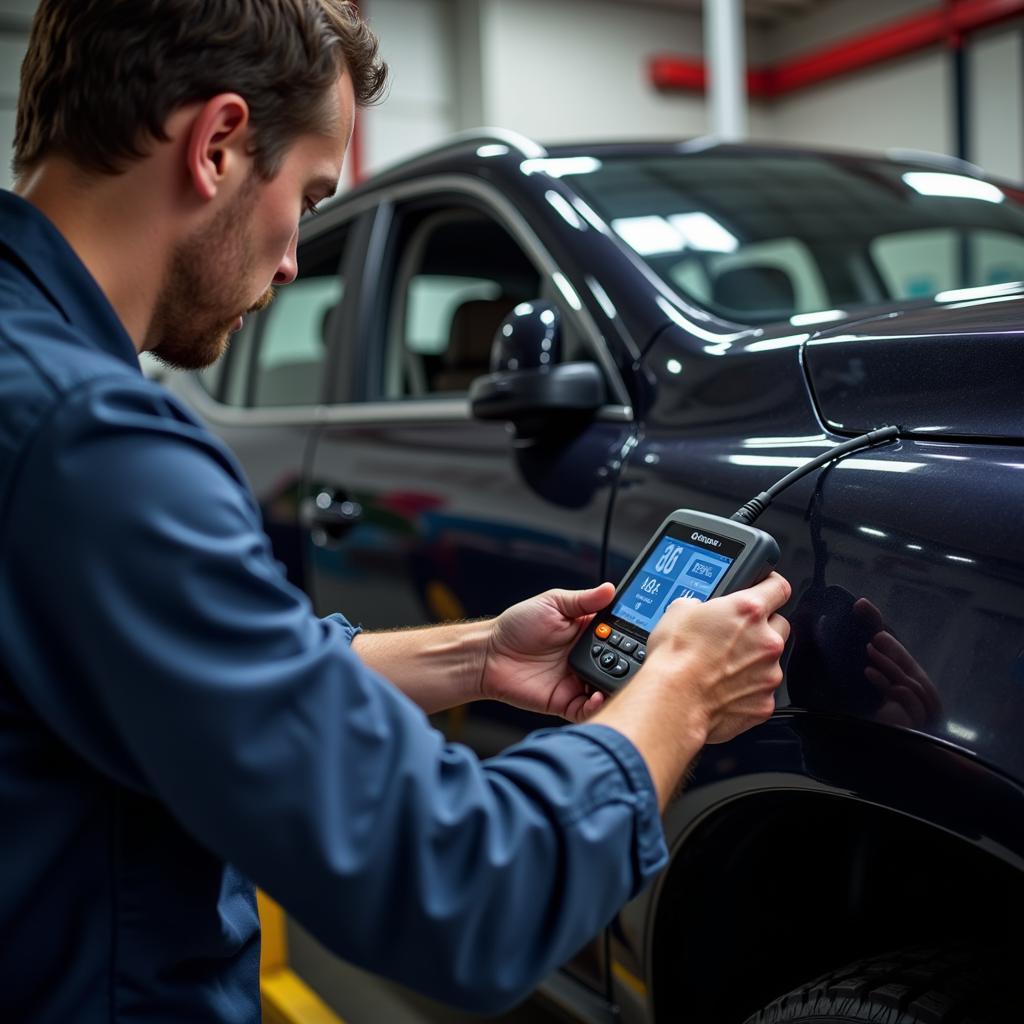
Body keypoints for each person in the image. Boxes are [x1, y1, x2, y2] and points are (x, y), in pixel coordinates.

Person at [0, 2, 791, 1022]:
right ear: (219, 144)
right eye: (312, 195)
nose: (292, 266)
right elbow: (461, 890)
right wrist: (678, 691)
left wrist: (475, 657)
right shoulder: (93, 442)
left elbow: (201, 683)